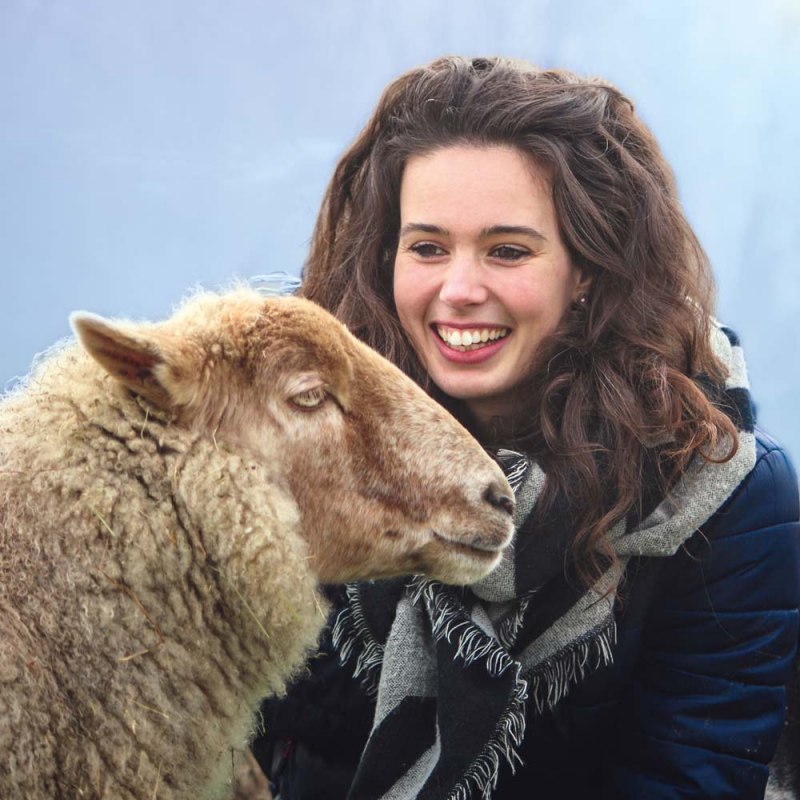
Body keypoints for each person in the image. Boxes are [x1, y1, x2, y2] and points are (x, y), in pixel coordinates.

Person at [251, 56, 800, 800]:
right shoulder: (280, 436)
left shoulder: (722, 497)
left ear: (589, 273)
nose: (459, 290)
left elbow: (686, 776)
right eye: (427, 247)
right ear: (386, 260)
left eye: (507, 250)